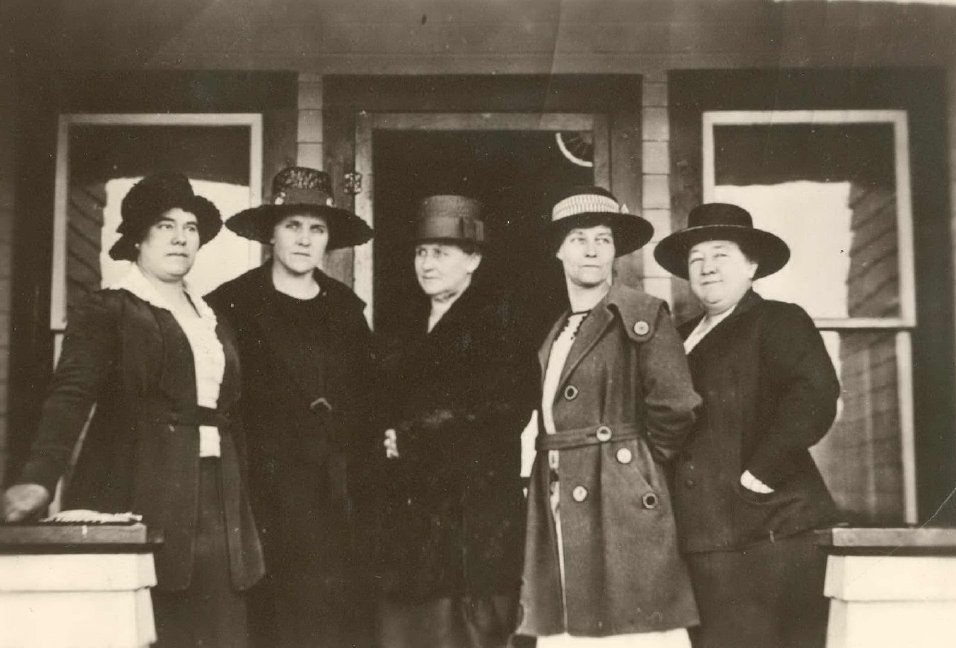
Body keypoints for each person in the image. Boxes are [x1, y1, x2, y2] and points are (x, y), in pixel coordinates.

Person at [2, 173, 265, 647]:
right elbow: (70, 394)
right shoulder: (111, 308)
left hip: (216, 499)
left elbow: (233, 411)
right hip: (138, 484)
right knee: (144, 625)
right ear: (139, 237)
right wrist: (39, 477)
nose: (182, 237)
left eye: (190, 227)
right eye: (166, 226)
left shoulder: (212, 318)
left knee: (220, 629)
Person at [517, 186, 701, 648]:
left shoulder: (639, 312)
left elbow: (675, 406)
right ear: (559, 250)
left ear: (616, 249)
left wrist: (635, 470)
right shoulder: (556, 330)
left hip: (620, 497)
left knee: (632, 629)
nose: (592, 249)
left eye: (603, 238)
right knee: (569, 624)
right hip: (559, 495)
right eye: (579, 238)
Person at [653, 202, 841, 648]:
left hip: (769, 533)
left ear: (751, 265)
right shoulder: (677, 337)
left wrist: (758, 476)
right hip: (702, 537)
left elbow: (814, 396)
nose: (706, 267)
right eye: (696, 258)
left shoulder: (777, 320)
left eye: (720, 254)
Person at [205, 166, 376, 648]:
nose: (304, 240)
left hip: (334, 501)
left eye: (317, 228)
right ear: (271, 235)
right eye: (292, 226)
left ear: (328, 240)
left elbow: (368, 400)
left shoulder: (346, 308)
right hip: (261, 497)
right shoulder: (230, 305)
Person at [374, 195, 538, 648]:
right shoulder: (403, 323)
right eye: (420, 252)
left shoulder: (500, 325)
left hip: (472, 525)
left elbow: (505, 414)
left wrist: (411, 438)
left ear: (473, 259)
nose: (426, 264)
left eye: (441, 252)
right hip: (410, 525)